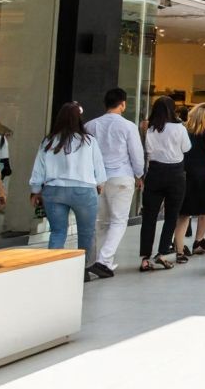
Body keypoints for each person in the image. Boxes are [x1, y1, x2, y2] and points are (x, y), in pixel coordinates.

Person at [30, 102, 107, 281]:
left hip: (53, 190)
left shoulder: (48, 141)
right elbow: (99, 167)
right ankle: (83, 270)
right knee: (86, 233)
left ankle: (52, 268)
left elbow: (38, 169)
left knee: (58, 232)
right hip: (83, 191)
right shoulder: (89, 141)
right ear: (79, 119)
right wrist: (100, 183)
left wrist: (35, 191)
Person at [87, 88, 143, 279]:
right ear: (123, 104)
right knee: (119, 221)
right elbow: (136, 153)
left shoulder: (91, 125)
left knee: (101, 222)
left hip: (98, 179)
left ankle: (99, 260)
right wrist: (139, 174)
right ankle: (104, 260)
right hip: (121, 176)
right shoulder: (128, 126)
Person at [139, 96, 189, 271]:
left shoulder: (151, 129)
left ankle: (145, 258)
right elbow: (186, 148)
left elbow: (148, 151)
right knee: (171, 216)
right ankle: (161, 253)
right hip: (175, 173)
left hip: (155, 173)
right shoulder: (179, 128)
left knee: (149, 217)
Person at [175, 103, 205, 263]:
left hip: (185, 173)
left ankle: (180, 249)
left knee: (184, 214)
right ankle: (198, 241)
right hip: (204, 174)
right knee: (204, 212)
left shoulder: (184, 130)